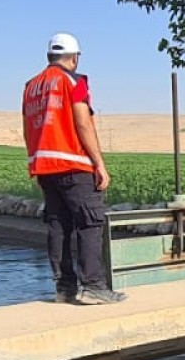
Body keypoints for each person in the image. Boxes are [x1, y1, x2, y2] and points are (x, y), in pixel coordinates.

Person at [23, 32, 125, 305]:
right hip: (74, 164)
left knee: (58, 226)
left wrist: (35, 161)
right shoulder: (75, 81)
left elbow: (27, 128)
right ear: (74, 57)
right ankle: (93, 285)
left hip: (45, 167)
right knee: (90, 222)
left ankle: (64, 288)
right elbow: (83, 123)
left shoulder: (31, 86)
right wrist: (99, 164)